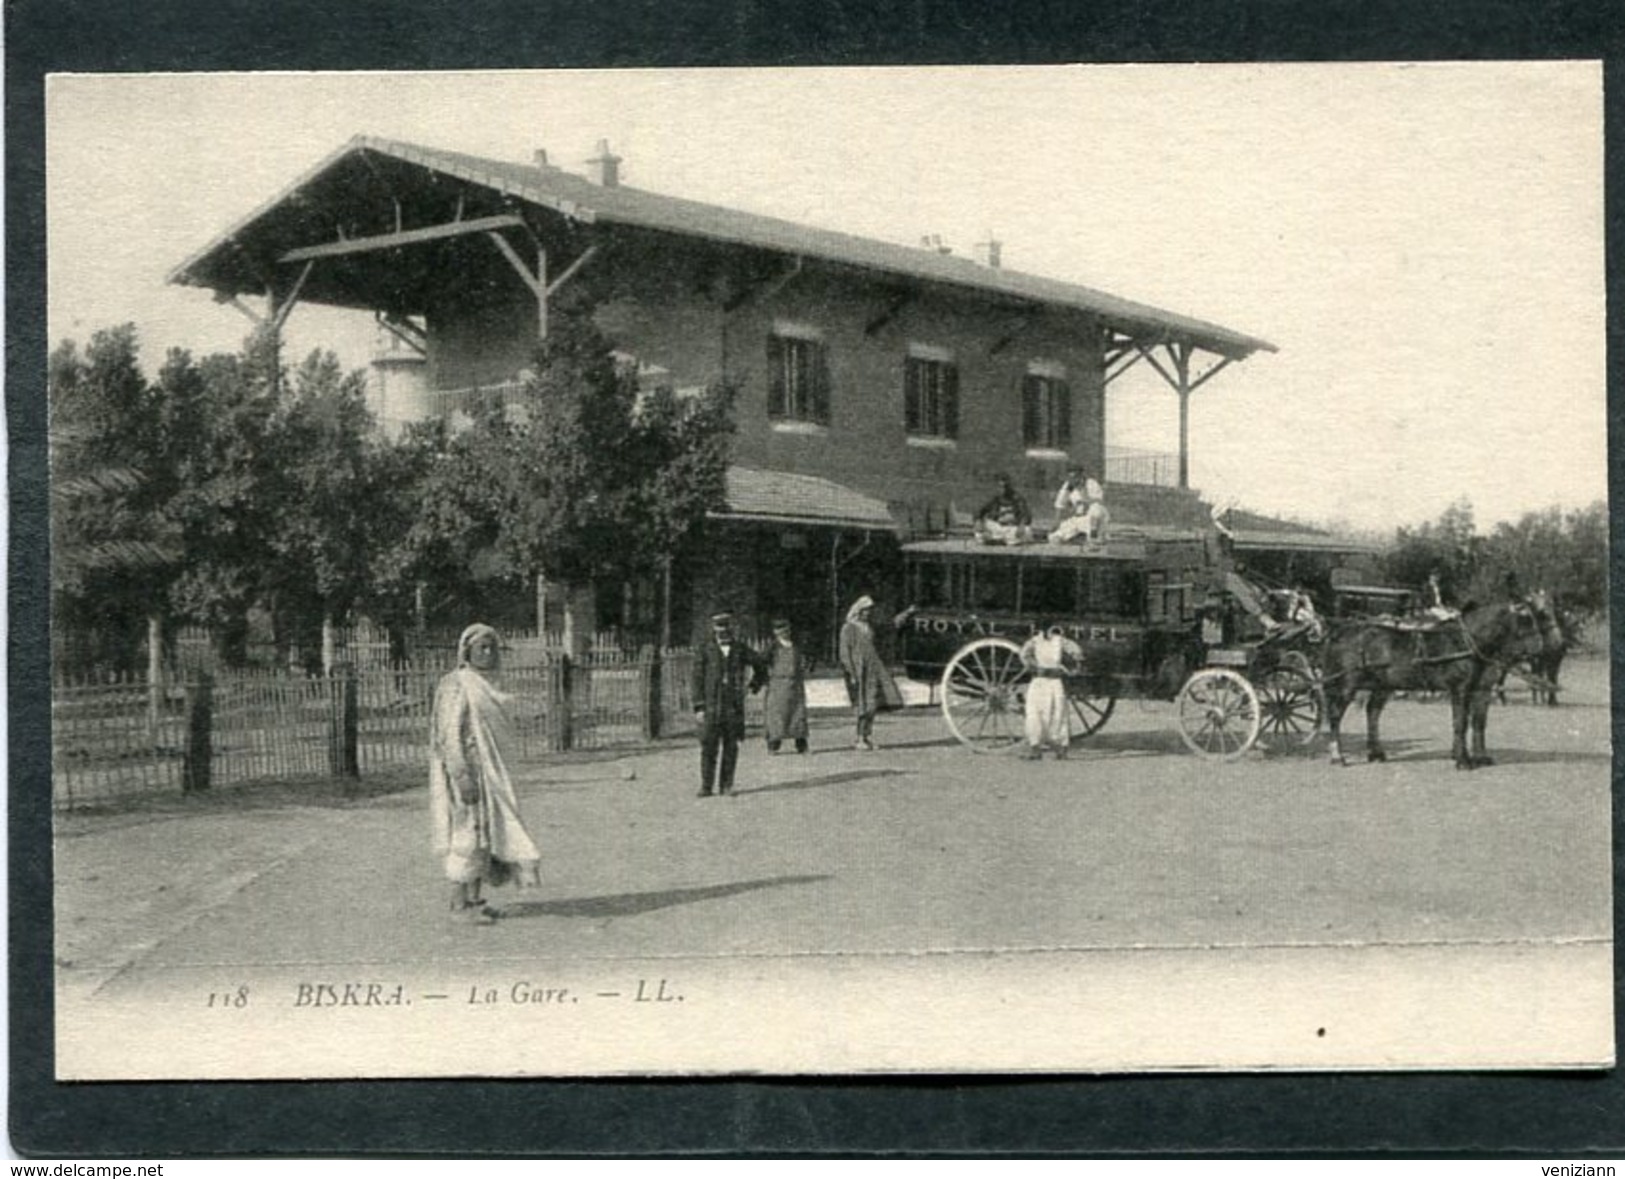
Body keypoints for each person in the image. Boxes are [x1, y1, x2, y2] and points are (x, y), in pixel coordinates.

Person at [429, 623, 542, 925]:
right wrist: (462, 775)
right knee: (468, 835)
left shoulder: (492, 683)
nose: (488, 653)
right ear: (467, 651)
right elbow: (448, 735)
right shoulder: (456, 684)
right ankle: (457, 905)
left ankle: (475, 900)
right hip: (470, 773)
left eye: (492, 647)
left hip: (493, 774)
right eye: (482, 647)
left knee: (486, 836)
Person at [691, 611, 766, 797]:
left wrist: (753, 686)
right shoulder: (705, 649)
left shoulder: (739, 648)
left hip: (733, 706)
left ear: (730, 628)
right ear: (713, 629)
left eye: (725, 627)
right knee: (708, 746)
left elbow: (761, 665)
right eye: (719, 628)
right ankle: (706, 786)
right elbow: (697, 679)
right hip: (710, 705)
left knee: (731, 746)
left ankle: (727, 785)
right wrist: (699, 706)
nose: (722, 631)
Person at [838, 595, 906, 750]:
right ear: (859, 611)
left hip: (873, 669)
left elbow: (888, 628)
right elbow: (844, 653)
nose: (868, 614)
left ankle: (866, 736)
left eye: (869, 611)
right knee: (863, 706)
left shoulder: (869, 627)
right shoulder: (849, 628)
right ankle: (860, 738)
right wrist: (852, 673)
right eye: (865, 611)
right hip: (859, 671)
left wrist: (903, 616)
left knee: (872, 704)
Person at [1019, 622, 1085, 759]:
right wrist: (1033, 666)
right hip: (1040, 681)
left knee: (1057, 713)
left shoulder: (1060, 641)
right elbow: (1024, 654)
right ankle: (1036, 748)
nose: (1047, 633)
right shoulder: (1035, 641)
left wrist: (1073, 667)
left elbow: (1077, 652)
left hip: (1054, 681)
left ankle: (1060, 749)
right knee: (1035, 713)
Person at [761, 618, 812, 754]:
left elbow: (806, 659)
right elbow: (761, 663)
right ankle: (774, 745)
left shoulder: (796, 646)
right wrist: (766, 678)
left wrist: (805, 668)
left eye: (786, 629)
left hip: (795, 684)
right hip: (778, 685)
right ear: (775, 632)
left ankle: (801, 745)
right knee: (777, 716)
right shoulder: (772, 647)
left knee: (798, 714)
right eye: (780, 630)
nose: (784, 632)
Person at [1051, 466, 1109, 545]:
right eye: (1070, 477)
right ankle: (1078, 537)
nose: (1073, 480)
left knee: (1096, 508)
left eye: (1075, 477)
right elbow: (1059, 505)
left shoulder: (1091, 483)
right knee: (1054, 538)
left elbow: (1099, 501)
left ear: (1081, 475)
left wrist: (1083, 494)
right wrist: (1056, 523)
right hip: (1078, 518)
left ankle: (1094, 535)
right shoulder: (1068, 486)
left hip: (1093, 519)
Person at [974, 473, 1033, 545]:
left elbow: (1025, 514)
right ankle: (1000, 539)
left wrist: (1021, 525)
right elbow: (980, 511)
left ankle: (998, 539)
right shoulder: (994, 499)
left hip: (1012, 527)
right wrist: (978, 521)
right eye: (1000, 487)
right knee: (980, 532)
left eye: (1005, 487)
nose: (1003, 490)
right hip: (998, 527)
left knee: (1027, 531)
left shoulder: (1018, 498)